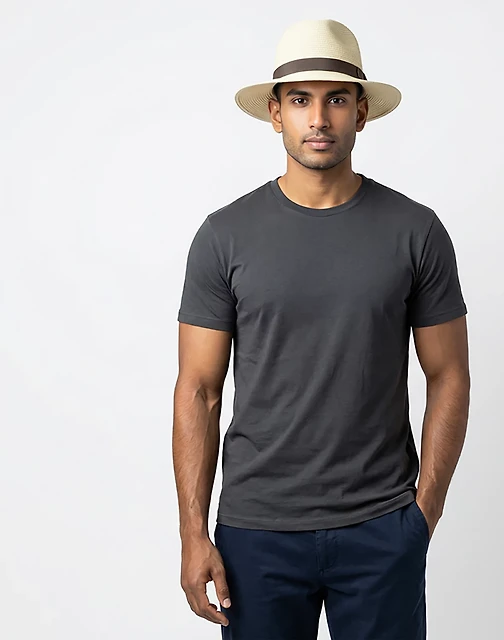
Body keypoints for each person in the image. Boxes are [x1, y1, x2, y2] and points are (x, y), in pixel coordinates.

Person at [173, 18, 470, 640]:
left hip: (381, 525)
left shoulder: (415, 231)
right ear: (275, 114)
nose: (318, 119)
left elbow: (449, 374)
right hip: (257, 532)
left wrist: (424, 513)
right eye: (300, 100)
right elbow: (198, 389)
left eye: (335, 99)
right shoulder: (224, 236)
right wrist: (192, 533)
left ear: (360, 113)